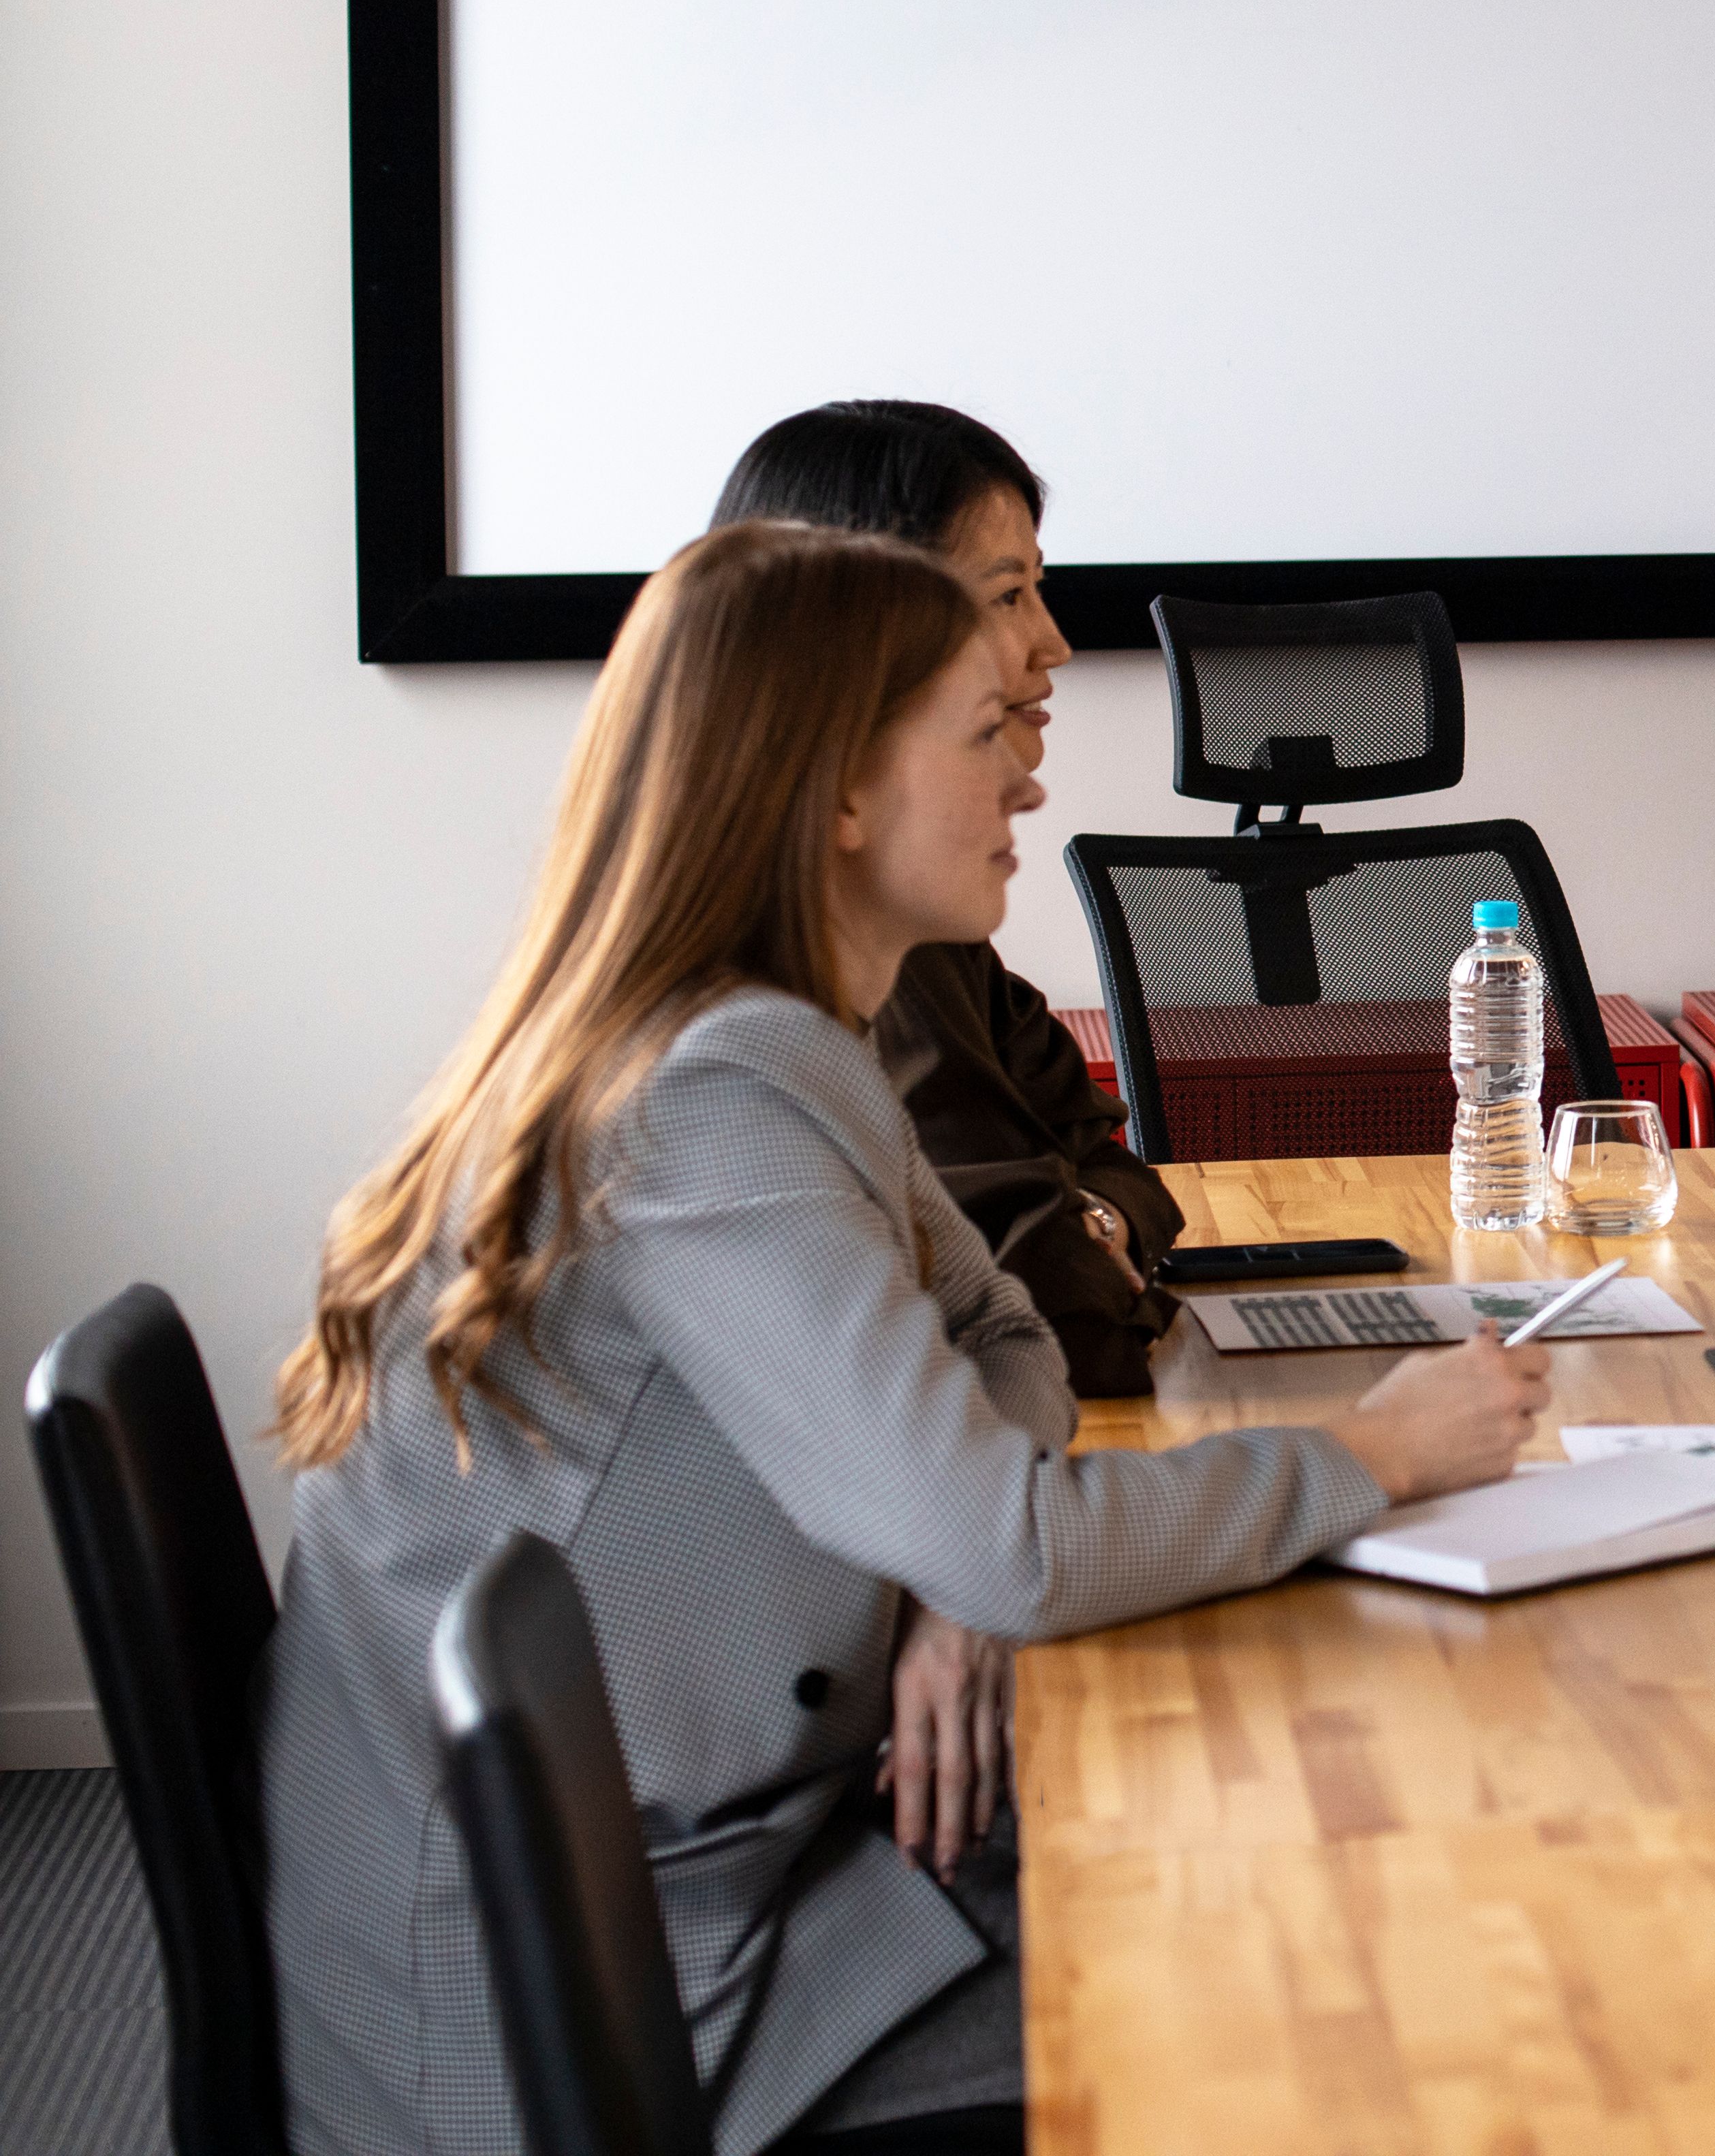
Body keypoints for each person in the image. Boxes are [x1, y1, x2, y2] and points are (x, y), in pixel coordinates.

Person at [262, 522, 1547, 2156]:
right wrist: (1376, 1446)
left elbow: (1001, 1332)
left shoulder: (777, 1031)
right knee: (1303, 1955)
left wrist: (952, 1560)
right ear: (841, 792)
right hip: (579, 2004)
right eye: (985, 732)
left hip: (696, 1859)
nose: (1029, 775)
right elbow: (1016, 1530)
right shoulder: (715, 1091)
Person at [716, 399, 1184, 1394]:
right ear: (862, 624)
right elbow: (1062, 1331)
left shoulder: (913, 922)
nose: (1051, 643)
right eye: (1007, 596)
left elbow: (1113, 1164)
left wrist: (1096, 1221)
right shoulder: (802, 991)